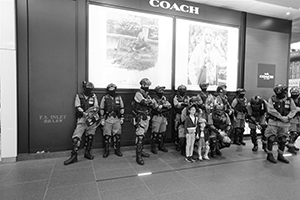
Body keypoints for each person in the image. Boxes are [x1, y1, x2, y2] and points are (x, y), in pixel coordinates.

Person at [64, 81, 100, 165]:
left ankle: (87, 153)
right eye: (87, 89)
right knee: (76, 138)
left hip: (91, 119)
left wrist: (92, 113)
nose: (89, 90)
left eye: (90, 89)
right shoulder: (79, 96)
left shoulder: (93, 96)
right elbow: (77, 106)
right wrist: (84, 113)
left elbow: (96, 106)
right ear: (84, 88)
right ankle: (74, 156)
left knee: (90, 136)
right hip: (82, 119)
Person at [265, 84, 297, 164]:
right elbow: (270, 110)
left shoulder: (289, 100)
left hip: (285, 123)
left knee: (283, 140)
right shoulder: (272, 99)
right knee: (271, 139)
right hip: (273, 122)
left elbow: (293, 110)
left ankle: (280, 155)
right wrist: (280, 117)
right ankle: (269, 155)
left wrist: (288, 117)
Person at [132, 78, 155, 165]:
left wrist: (149, 101)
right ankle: (138, 156)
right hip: (140, 117)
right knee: (140, 136)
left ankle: (141, 151)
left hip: (146, 116)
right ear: (142, 85)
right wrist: (148, 101)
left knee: (143, 135)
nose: (148, 87)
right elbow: (144, 102)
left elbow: (152, 103)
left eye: (148, 85)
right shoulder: (138, 93)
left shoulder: (146, 94)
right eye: (146, 85)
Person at [99, 83, 125, 158]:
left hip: (116, 118)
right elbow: (101, 108)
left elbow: (122, 108)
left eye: (113, 89)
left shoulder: (119, 97)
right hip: (107, 118)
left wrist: (122, 117)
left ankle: (117, 150)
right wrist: (102, 119)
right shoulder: (105, 98)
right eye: (110, 90)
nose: (112, 91)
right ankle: (106, 151)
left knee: (117, 136)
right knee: (107, 136)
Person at [150, 86, 172, 154]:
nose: (161, 92)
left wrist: (162, 107)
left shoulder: (164, 98)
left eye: (162, 91)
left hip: (164, 117)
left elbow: (169, 106)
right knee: (155, 133)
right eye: (160, 91)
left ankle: (161, 146)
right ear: (156, 92)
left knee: (162, 133)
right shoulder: (153, 99)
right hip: (157, 117)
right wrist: (164, 107)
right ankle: (153, 147)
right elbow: (157, 109)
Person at [173, 85, 190, 151]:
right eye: (181, 90)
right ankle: (177, 143)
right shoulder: (176, 97)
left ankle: (184, 143)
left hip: (186, 114)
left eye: (184, 90)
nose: (183, 91)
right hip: (178, 114)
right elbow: (176, 105)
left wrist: (182, 104)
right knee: (177, 128)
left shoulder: (187, 97)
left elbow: (189, 104)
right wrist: (183, 104)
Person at [287, 86, 300, 154]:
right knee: (293, 133)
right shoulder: (288, 100)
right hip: (292, 118)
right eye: (293, 93)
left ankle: (291, 144)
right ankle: (290, 146)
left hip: (298, 118)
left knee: (298, 132)